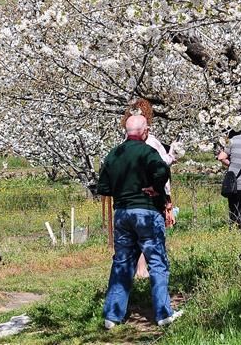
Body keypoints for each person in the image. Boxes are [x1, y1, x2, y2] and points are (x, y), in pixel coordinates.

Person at [98, 114, 182, 329]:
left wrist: (121, 190)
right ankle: (163, 314)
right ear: (144, 132)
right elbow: (163, 170)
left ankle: (112, 316)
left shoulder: (114, 154)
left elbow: (104, 187)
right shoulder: (147, 151)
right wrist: (155, 187)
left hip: (123, 213)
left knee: (122, 262)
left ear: (127, 132)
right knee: (157, 262)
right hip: (146, 212)